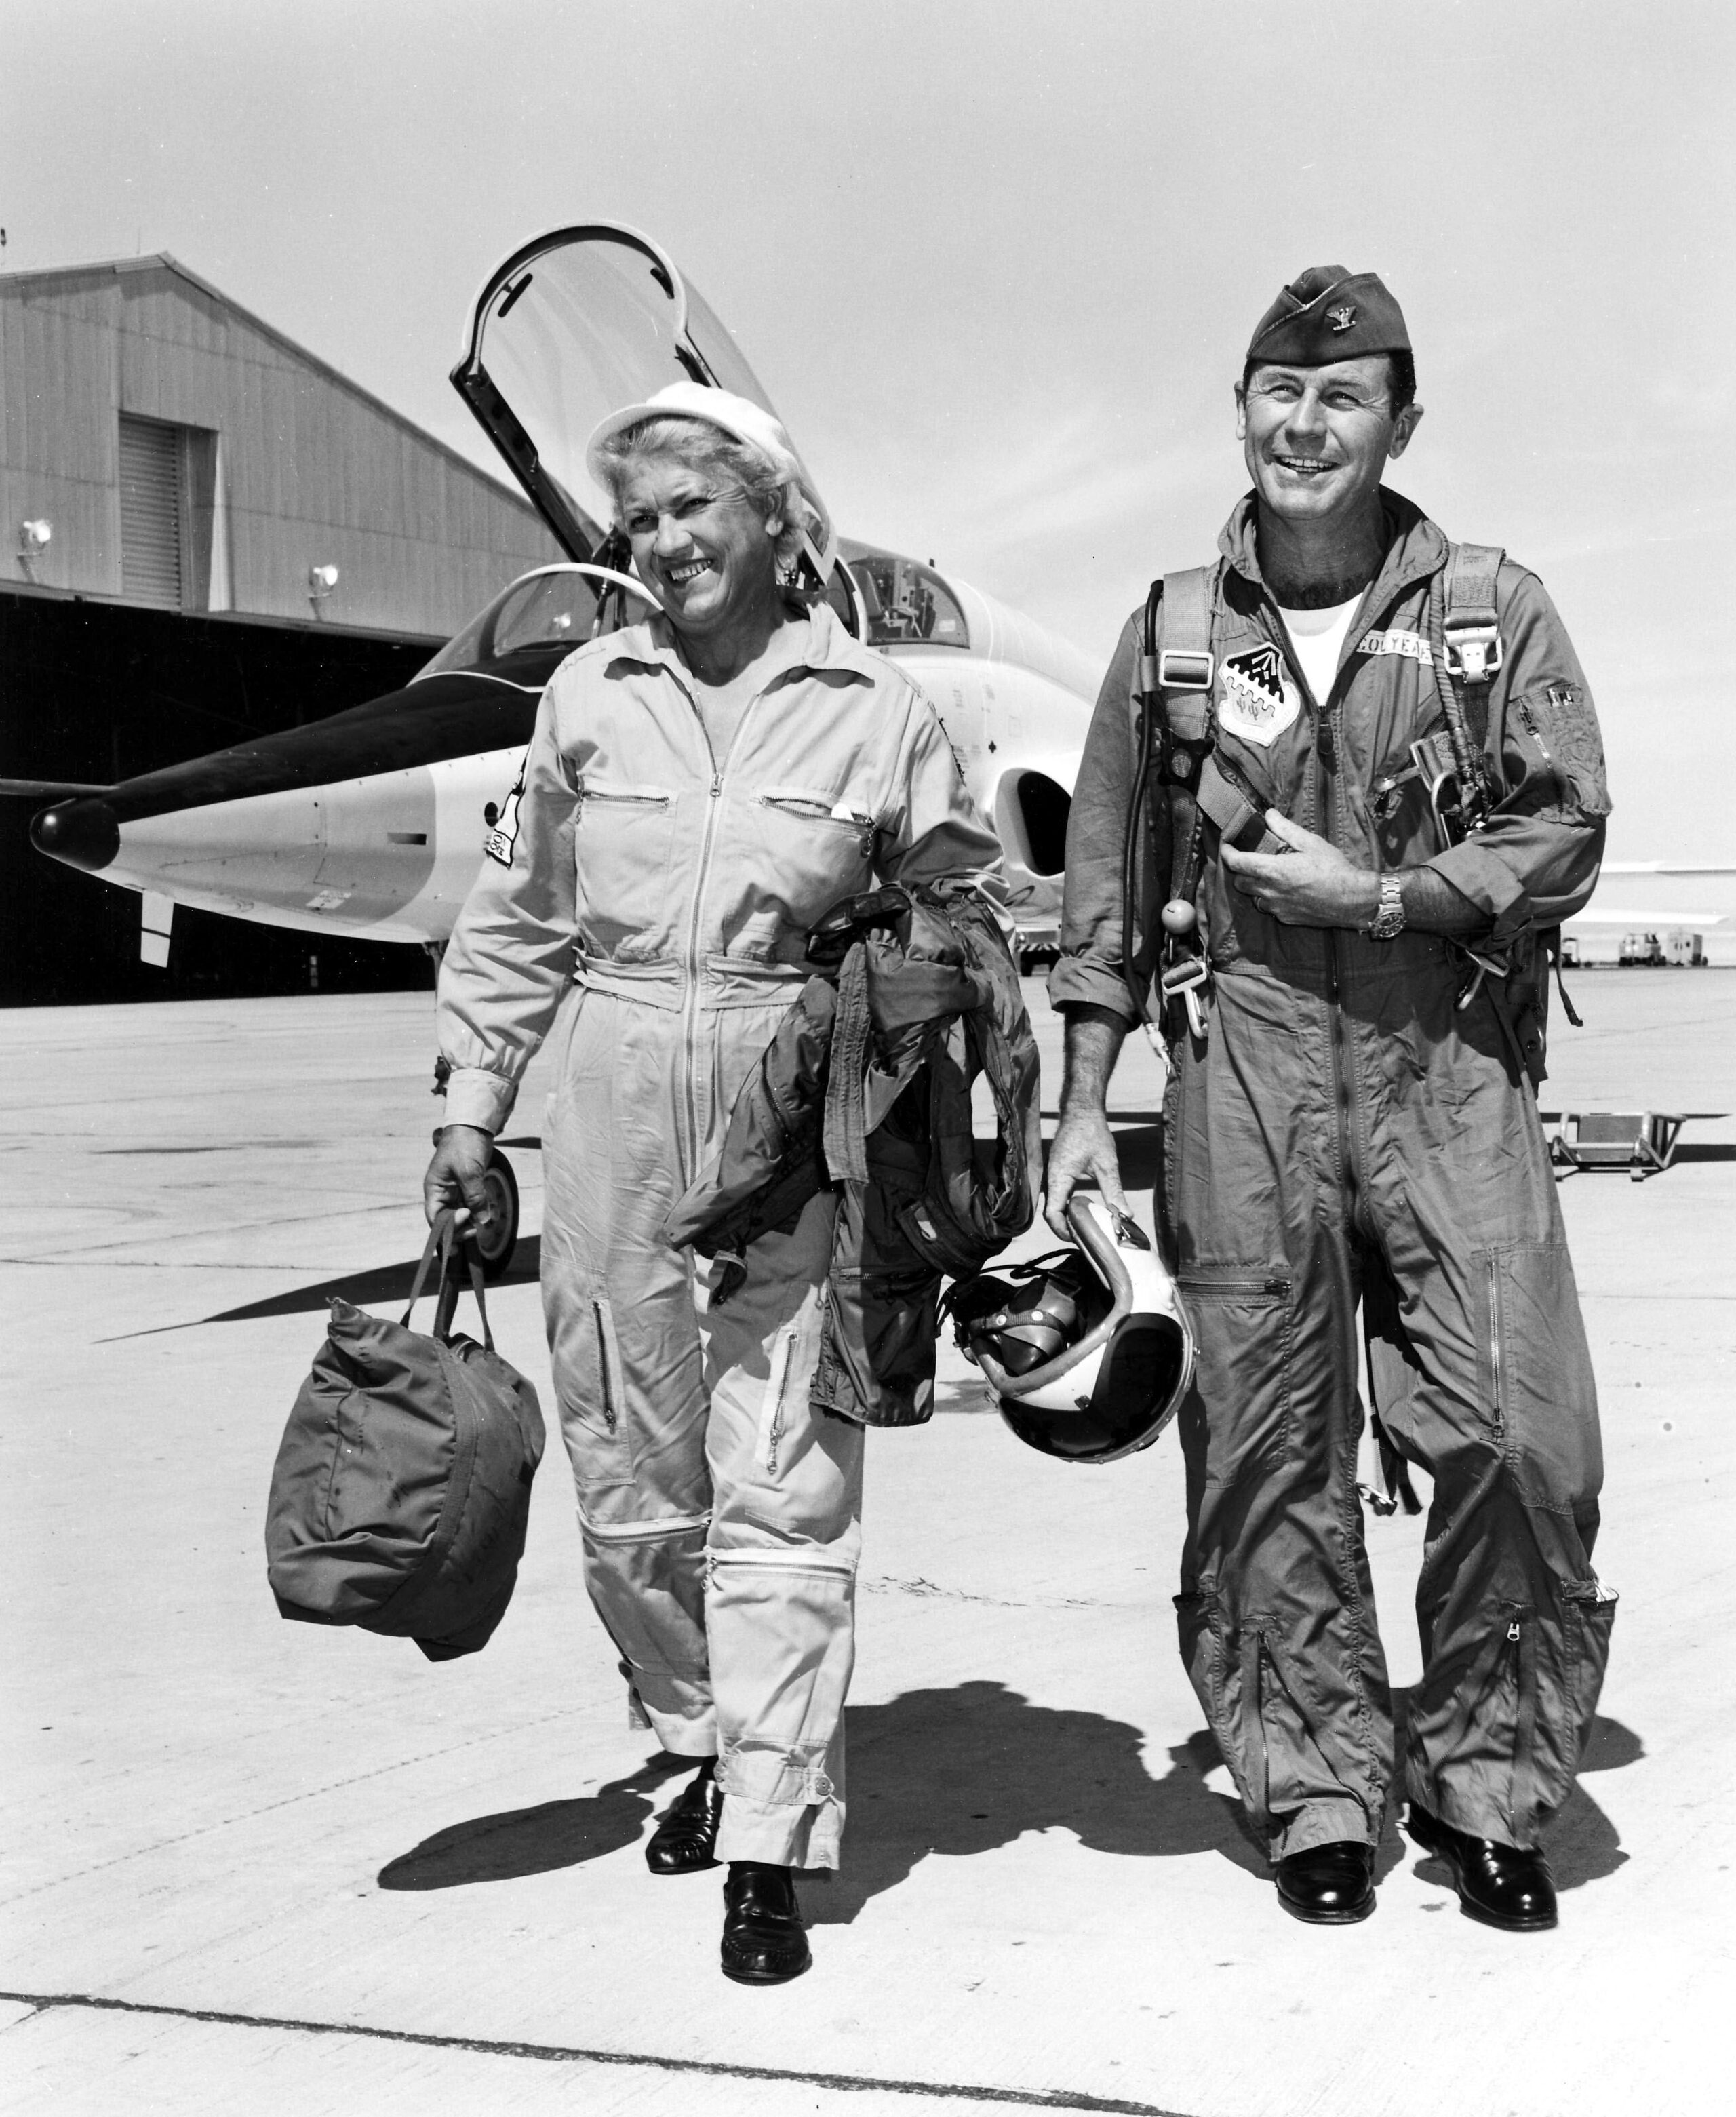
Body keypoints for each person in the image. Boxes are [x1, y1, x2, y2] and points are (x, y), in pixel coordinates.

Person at [1046, 269, 1615, 1931]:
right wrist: (1083, 1102)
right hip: (1239, 1074)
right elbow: (1102, 885)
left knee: (1521, 1436)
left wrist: (1384, 897)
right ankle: (1314, 1786)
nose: (1303, 426)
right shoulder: (1166, 634)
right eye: (1275, 395)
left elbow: (1563, 823)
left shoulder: (1491, 610)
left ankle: (1487, 1778)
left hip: (1447, 1067)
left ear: (1399, 424)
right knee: (1266, 1454)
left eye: (1341, 398)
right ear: (1239, 411)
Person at [423, 382, 1001, 1983]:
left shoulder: (875, 707)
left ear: (771, 515)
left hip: (788, 1120)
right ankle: (687, 1730)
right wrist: (473, 1111)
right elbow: (520, 916)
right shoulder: (589, 697)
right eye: (644, 515)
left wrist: (926, 1052)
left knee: (783, 1482)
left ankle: (769, 1824)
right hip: (606, 1102)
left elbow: (963, 915)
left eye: (693, 507)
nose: (662, 540)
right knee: (625, 1485)